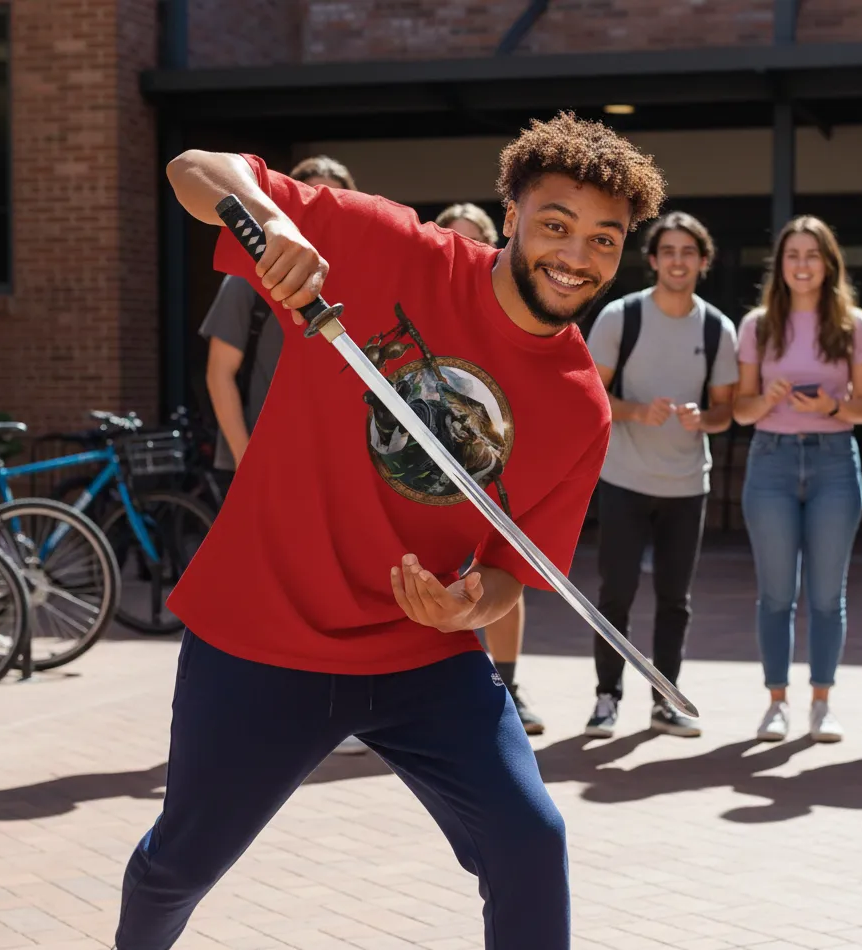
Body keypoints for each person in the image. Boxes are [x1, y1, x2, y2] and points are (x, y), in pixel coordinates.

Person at [113, 113, 666, 950]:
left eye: (604, 239)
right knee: (178, 867)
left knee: (529, 841)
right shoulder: (385, 247)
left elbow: (512, 572)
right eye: (556, 224)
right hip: (262, 632)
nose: (575, 255)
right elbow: (195, 167)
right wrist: (274, 223)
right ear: (511, 215)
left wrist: (469, 607)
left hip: (422, 656)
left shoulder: (580, 405)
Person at [199, 154, 367, 758]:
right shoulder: (248, 272)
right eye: (307, 195)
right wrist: (247, 460)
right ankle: (266, 718)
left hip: (340, 466)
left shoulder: (361, 273)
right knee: (270, 594)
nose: (318, 208)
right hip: (265, 465)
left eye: (332, 198)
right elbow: (220, 374)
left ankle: (336, 715)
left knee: (337, 590)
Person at [585, 211, 738, 739]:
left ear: (703, 261)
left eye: (688, 252)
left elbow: (726, 411)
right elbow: (590, 394)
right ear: (653, 260)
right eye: (668, 251)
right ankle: (606, 698)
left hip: (687, 485)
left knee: (676, 600)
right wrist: (635, 411)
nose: (678, 261)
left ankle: (665, 701)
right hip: (624, 479)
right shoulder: (621, 317)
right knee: (616, 594)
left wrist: (705, 419)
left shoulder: (718, 329)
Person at [734, 215, 862, 743]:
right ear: (780, 266)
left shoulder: (855, 325)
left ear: (828, 264)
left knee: (826, 596)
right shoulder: (757, 325)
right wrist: (767, 399)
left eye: (812, 255)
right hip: (770, 462)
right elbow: (741, 411)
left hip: (834, 463)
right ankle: (777, 703)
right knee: (776, 594)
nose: (802, 265)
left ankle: (822, 703)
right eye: (792, 255)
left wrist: (831, 406)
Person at [435, 200, 544, 735]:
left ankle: (507, 686)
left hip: (493, 462)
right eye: (450, 238)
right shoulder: (430, 303)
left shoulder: (513, 311)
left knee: (500, 569)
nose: (462, 250)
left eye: (473, 239)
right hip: (433, 470)